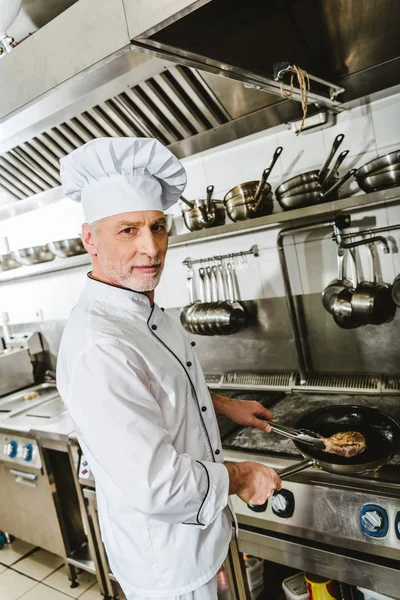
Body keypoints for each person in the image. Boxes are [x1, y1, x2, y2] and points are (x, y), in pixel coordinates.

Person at [57, 137, 281, 600]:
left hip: (200, 537)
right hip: (169, 563)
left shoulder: (141, 310)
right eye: (128, 230)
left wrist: (225, 405)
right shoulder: (100, 345)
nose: (151, 248)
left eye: (158, 227)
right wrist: (240, 477)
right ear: (89, 240)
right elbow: (158, 485)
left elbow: (162, 385)